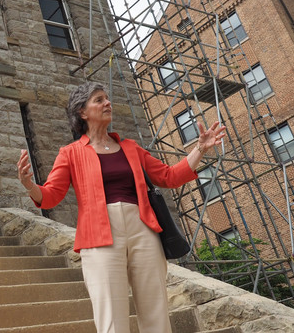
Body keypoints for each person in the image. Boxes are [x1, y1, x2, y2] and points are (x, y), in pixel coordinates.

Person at [17, 81, 226, 333]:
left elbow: (169, 176)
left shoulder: (131, 148)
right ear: (82, 112)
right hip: (99, 235)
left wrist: (200, 149)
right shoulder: (70, 153)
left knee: (155, 311)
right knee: (111, 318)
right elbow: (51, 196)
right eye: (98, 99)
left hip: (143, 229)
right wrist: (30, 185)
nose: (107, 103)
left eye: (107, 98)